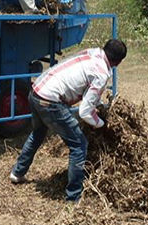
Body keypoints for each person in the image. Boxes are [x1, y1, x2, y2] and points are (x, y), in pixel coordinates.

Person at [10, 39, 128, 203]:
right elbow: (85, 112)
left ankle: (17, 173)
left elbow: (89, 93)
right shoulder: (101, 74)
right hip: (50, 101)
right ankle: (73, 197)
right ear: (118, 62)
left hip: (37, 90)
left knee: (38, 132)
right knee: (79, 145)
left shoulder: (92, 53)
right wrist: (103, 125)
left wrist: (99, 105)